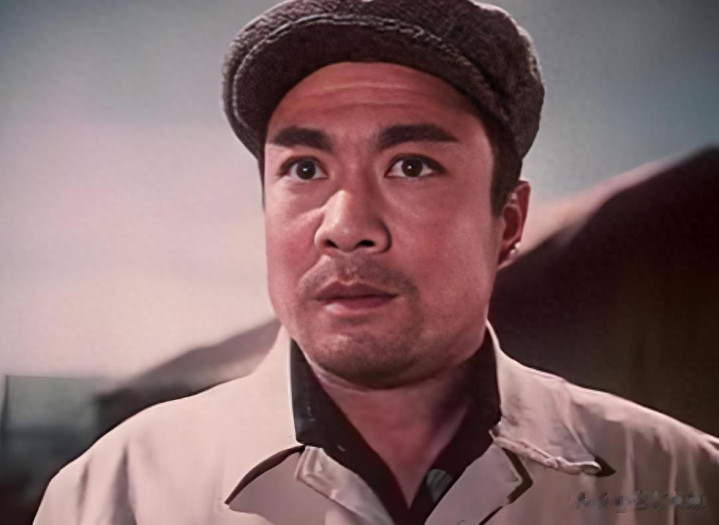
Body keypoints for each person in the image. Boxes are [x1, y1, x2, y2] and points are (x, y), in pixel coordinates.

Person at [34, 0, 719, 523]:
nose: (345, 226)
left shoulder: (679, 481)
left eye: (411, 165)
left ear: (507, 222)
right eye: (305, 168)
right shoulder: (115, 494)